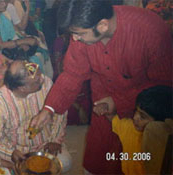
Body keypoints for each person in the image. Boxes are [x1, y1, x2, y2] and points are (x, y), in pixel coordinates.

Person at [30, 0, 172, 174]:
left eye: (78, 34)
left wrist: (119, 101)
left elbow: (164, 85)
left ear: (103, 25)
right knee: (99, 157)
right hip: (102, 106)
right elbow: (72, 74)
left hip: (142, 111)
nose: (75, 39)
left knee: (137, 161)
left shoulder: (150, 30)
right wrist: (49, 109)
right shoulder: (84, 31)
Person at [0, 60, 72, 173]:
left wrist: (55, 140)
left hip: (46, 144)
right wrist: (10, 153)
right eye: (37, 81)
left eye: (40, 75)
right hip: (18, 151)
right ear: (23, 88)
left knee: (65, 162)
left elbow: (60, 111)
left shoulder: (46, 83)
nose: (42, 79)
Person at [0, 0, 54, 80]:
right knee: (29, 64)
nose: (4, 4)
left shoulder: (2, 16)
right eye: (0, 2)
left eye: (5, 1)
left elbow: (14, 33)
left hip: (6, 52)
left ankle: (40, 83)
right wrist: (23, 41)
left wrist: (22, 42)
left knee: (35, 57)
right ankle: (33, 83)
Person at [107, 85, 172, 175]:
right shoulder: (128, 127)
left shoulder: (165, 146)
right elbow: (114, 119)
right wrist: (104, 108)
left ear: (159, 125)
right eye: (136, 111)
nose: (135, 117)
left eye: (143, 116)